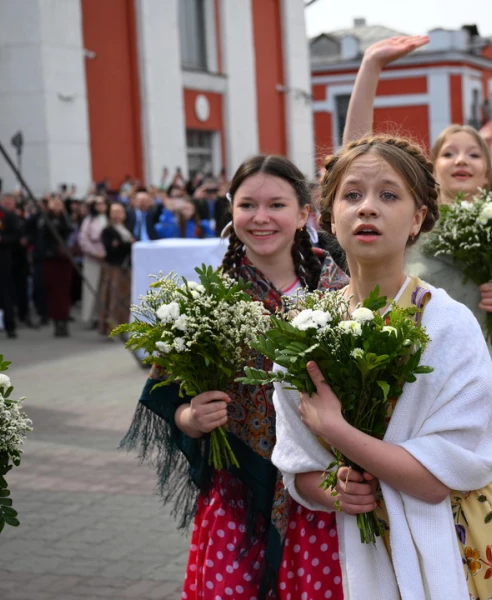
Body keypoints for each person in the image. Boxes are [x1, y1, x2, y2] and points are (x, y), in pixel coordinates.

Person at [273, 135, 492, 600]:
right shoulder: (306, 330)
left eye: (388, 195)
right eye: (352, 195)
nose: (367, 208)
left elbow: (438, 481)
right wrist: (332, 490)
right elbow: (297, 462)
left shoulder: (450, 324)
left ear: (417, 219)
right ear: (330, 215)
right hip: (344, 553)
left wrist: (339, 431)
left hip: (461, 544)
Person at [121, 155, 349, 599]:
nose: (260, 218)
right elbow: (166, 391)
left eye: (277, 205)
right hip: (237, 494)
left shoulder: (340, 293)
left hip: (321, 494)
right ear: (232, 211)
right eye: (247, 205)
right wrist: (191, 417)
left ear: (304, 214)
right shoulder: (211, 297)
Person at [342, 35, 492, 493]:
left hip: (480, 378)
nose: (461, 160)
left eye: (473, 153)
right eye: (449, 152)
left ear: (488, 169)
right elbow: (353, 164)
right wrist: (370, 67)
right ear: (431, 168)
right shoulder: (414, 225)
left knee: (481, 500)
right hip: (407, 365)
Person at [33, 195, 75, 337]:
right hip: (50, 259)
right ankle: (57, 322)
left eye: (59, 203)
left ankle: (64, 321)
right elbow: (40, 234)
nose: (56, 205)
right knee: (52, 292)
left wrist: (62, 213)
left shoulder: (65, 218)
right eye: (54, 203)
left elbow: (69, 228)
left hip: (63, 259)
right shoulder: (44, 219)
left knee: (64, 291)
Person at [97, 202, 133, 336]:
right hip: (113, 267)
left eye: (120, 212)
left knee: (126, 298)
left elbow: (128, 245)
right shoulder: (107, 230)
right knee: (113, 298)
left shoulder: (127, 228)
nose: (117, 215)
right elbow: (111, 249)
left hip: (127, 267)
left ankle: (125, 326)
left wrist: (122, 245)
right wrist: (124, 245)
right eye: (114, 212)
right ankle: (111, 327)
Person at [0, 191, 24, 339]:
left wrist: (1, 239)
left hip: (1, 260)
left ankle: (10, 326)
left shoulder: (5, 215)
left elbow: (17, 236)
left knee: (4, 293)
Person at [78, 195, 108, 328]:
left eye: (103, 203)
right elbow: (83, 240)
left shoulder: (108, 219)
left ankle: (102, 316)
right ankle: (89, 317)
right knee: (92, 287)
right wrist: (94, 253)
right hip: (93, 258)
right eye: (98, 204)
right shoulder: (89, 220)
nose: (101, 206)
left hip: (107, 258)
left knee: (104, 289)